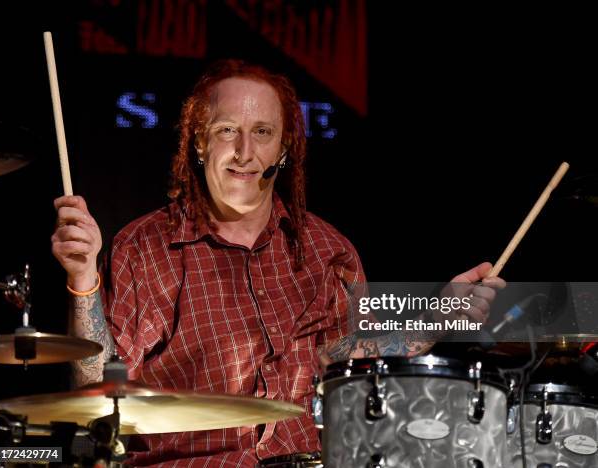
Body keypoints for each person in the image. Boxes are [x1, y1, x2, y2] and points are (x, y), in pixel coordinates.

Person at [51, 59, 504, 466]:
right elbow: (97, 389)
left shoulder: (330, 251)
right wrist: (83, 278)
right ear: (199, 143)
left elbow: (343, 361)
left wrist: (436, 319)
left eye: (262, 132)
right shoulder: (144, 248)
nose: (245, 153)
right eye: (227, 129)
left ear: (283, 150)